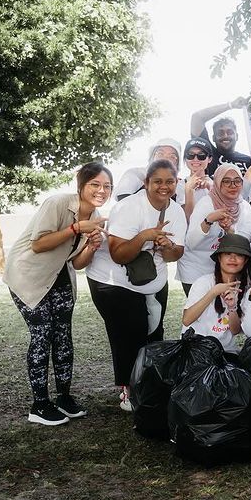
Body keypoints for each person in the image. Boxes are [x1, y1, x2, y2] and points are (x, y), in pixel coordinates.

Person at [3, 162, 111, 426]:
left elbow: (76, 263)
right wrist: (76, 229)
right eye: (95, 184)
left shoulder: (95, 216)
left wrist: (92, 247)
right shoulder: (58, 203)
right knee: (42, 335)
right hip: (29, 275)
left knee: (63, 335)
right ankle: (39, 405)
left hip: (60, 276)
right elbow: (38, 244)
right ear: (81, 185)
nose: (101, 190)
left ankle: (63, 398)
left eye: (107, 186)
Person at [85, 160, 187, 411]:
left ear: (176, 183)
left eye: (170, 181)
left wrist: (167, 248)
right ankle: (128, 390)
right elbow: (119, 254)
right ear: (146, 183)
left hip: (152, 278)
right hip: (113, 280)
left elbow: (177, 254)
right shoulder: (128, 207)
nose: (164, 186)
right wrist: (145, 236)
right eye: (158, 181)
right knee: (128, 334)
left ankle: (150, 384)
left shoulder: (175, 211)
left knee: (154, 333)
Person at [178, 164, 251, 295]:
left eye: (237, 181)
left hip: (225, 270)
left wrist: (229, 229)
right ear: (218, 183)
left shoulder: (244, 207)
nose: (233, 185)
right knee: (201, 312)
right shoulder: (206, 203)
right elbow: (191, 243)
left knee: (225, 312)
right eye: (226, 181)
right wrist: (209, 220)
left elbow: (244, 242)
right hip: (197, 269)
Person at [180, 233, 251, 354]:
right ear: (219, 258)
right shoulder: (204, 282)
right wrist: (213, 292)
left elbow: (235, 331)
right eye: (227, 254)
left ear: (245, 261)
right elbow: (187, 320)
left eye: (239, 255)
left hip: (225, 350)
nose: (233, 259)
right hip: (197, 348)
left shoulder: (244, 288)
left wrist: (232, 308)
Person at [189, 99, 251, 175]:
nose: (225, 136)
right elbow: (197, 117)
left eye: (229, 132)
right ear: (213, 138)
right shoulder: (206, 156)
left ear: (237, 136)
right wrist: (230, 105)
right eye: (220, 133)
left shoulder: (249, 161)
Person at [114, 139, 182, 202]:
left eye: (172, 157)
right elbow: (123, 201)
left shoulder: (179, 185)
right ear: (152, 157)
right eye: (160, 154)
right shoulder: (135, 174)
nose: (165, 159)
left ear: (176, 165)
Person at [181, 137, 216, 221]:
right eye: (190, 155)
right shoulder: (179, 185)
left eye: (201, 156)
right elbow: (187, 220)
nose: (195, 159)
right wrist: (189, 190)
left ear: (210, 159)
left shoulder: (217, 182)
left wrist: (211, 189)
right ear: (185, 158)